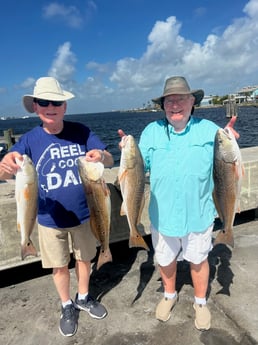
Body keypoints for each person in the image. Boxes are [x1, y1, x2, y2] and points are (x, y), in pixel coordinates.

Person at [118, 76, 238, 331]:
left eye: (181, 99)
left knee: (198, 260)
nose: (175, 105)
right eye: (169, 100)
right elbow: (140, 169)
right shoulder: (151, 132)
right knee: (165, 260)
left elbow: (226, 157)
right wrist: (126, 154)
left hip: (200, 213)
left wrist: (231, 139)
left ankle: (200, 302)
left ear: (192, 101)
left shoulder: (210, 130)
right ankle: (169, 295)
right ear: (163, 105)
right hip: (163, 215)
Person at [0, 77, 114, 337]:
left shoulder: (82, 131)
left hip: (87, 215)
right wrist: (6, 163)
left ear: (64, 106)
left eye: (57, 102)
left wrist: (102, 156)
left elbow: (107, 159)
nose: (50, 106)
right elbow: (5, 171)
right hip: (48, 219)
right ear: (36, 107)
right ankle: (66, 304)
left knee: (85, 258)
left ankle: (83, 297)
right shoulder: (29, 140)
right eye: (44, 102)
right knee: (59, 266)